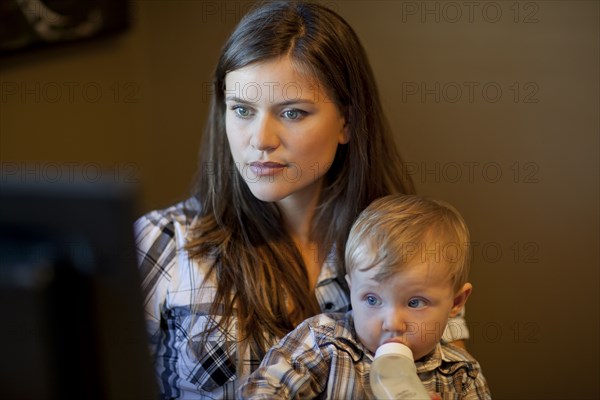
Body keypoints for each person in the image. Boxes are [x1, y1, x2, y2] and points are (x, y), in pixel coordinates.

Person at [134, 1, 469, 398]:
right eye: (242, 110)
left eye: (292, 113)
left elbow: (451, 374)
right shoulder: (162, 243)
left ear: (346, 121)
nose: (260, 140)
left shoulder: (409, 244)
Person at [238, 194, 491, 399]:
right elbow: (263, 390)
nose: (392, 323)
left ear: (456, 303)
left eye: (415, 302)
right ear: (351, 290)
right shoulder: (325, 344)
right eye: (372, 300)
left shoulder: (461, 375)